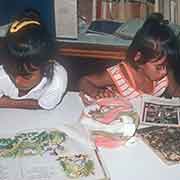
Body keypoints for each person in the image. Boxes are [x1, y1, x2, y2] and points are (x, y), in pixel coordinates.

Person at [78, 13, 178, 104]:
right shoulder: (120, 75)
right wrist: (96, 92)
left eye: (166, 66)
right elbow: (84, 81)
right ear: (138, 58)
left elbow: (175, 92)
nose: (164, 72)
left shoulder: (165, 69)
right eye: (159, 68)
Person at [0, 15, 67, 109]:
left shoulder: (57, 79)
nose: (17, 81)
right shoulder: (2, 73)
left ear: (46, 66)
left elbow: (45, 105)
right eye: (12, 73)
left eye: (26, 76)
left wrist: (5, 102)